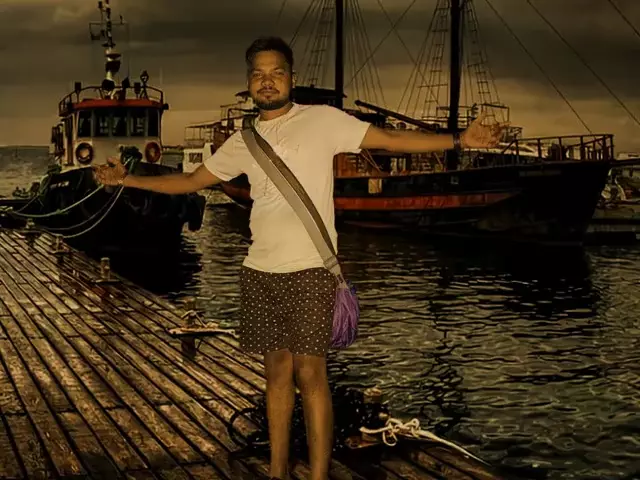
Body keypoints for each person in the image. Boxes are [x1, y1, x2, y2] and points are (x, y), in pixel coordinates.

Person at [94, 36, 505, 480]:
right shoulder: (243, 141)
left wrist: (459, 139)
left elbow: (389, 139)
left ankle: (318, 475)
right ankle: (277, 471)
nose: (267, 81)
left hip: (311, 269)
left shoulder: (322, 120)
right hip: (259, 271)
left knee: (311, 375)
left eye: (277, 72)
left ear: (292, 77)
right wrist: (127, 180)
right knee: (275, 376)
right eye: (258, 74)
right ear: (249, 82)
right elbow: (191, 181)